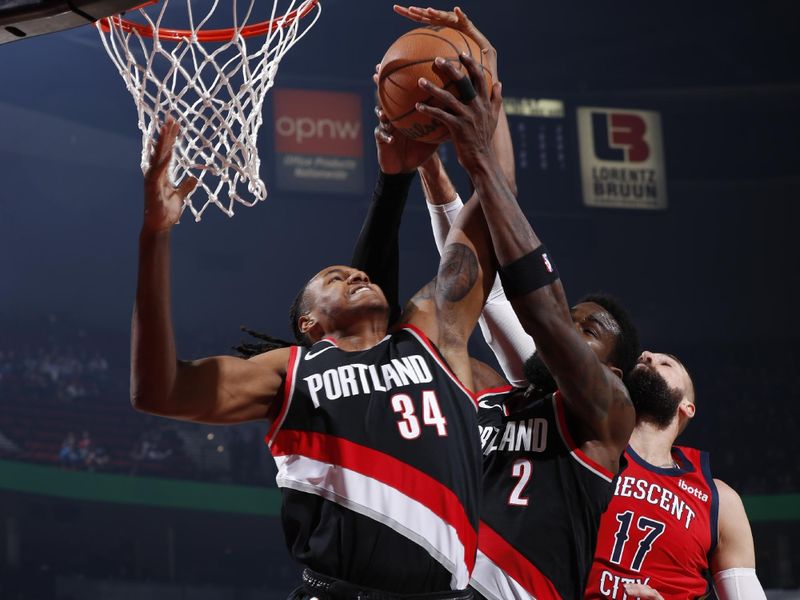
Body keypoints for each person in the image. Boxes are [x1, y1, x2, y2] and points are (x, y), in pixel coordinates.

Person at [131, 109, 498, 597]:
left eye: (358, 274)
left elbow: (492, 215)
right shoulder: (292, 370)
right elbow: (159, 391)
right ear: (310, 324)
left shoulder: (432, 338)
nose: (356, 275)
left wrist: (476, 131)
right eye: (334, 278)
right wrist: (155, 235)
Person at [379, 7, 640, 599]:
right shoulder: (489, 390)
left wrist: (476, 155)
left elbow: (538, 311)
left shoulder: (608, 419)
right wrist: (484, 90)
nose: (570, 325)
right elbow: (477, 273)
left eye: (588, 330)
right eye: (575, 316)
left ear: (614, 374)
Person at [584, 351, 768, 600]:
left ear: (687, 407)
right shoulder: (583, 455)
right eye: (643, 358)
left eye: (666, 362)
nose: (646, 355)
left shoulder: (720, 501)